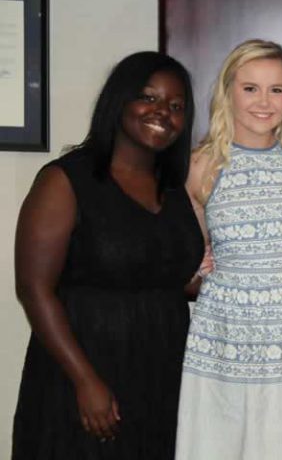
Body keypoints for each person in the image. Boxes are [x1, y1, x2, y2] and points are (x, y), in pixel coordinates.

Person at [12, 52, 205, 459]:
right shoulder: (66, 180)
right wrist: (85, 380)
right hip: (86, 367)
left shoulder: (173, 189)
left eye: (175, 106)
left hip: (162, 370)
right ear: (119, 102)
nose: (162, 113)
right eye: (148, 98)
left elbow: (172, 277)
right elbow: (34, 289)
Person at [175, 39, 282, 459]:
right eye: (250, 88)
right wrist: (197, 266)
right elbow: (192, 257)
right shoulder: (201, 165)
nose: (264, 102)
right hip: (226, 335)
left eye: (276, 89)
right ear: (228, 92)